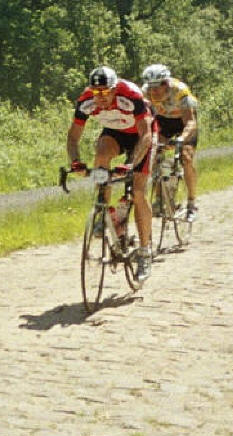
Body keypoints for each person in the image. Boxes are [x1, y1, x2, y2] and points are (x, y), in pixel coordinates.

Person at [67, 65, 156, 282]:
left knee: (137, 191)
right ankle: (102, 207)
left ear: (115, 89)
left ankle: (144, 252)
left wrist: (131, 163)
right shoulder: (86, 101)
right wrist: (76, 161)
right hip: (115, 132)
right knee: (101, 156)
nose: (101, 98)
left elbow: (145, 136)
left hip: (141, 136)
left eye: (106, 92)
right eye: (97, 93)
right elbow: (72, 138)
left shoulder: (131, 95)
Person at [141, 64, 199, 221]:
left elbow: (190, 122)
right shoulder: (145, 93)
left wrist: (181, 139)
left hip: (183, 122)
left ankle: (192, 203)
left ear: (166, 84)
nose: (154, 92)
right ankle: (160, 198)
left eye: (157, 88)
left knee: (186, 158)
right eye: (151, 88)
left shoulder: (180, 91)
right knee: (153, 156)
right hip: (163, 122)